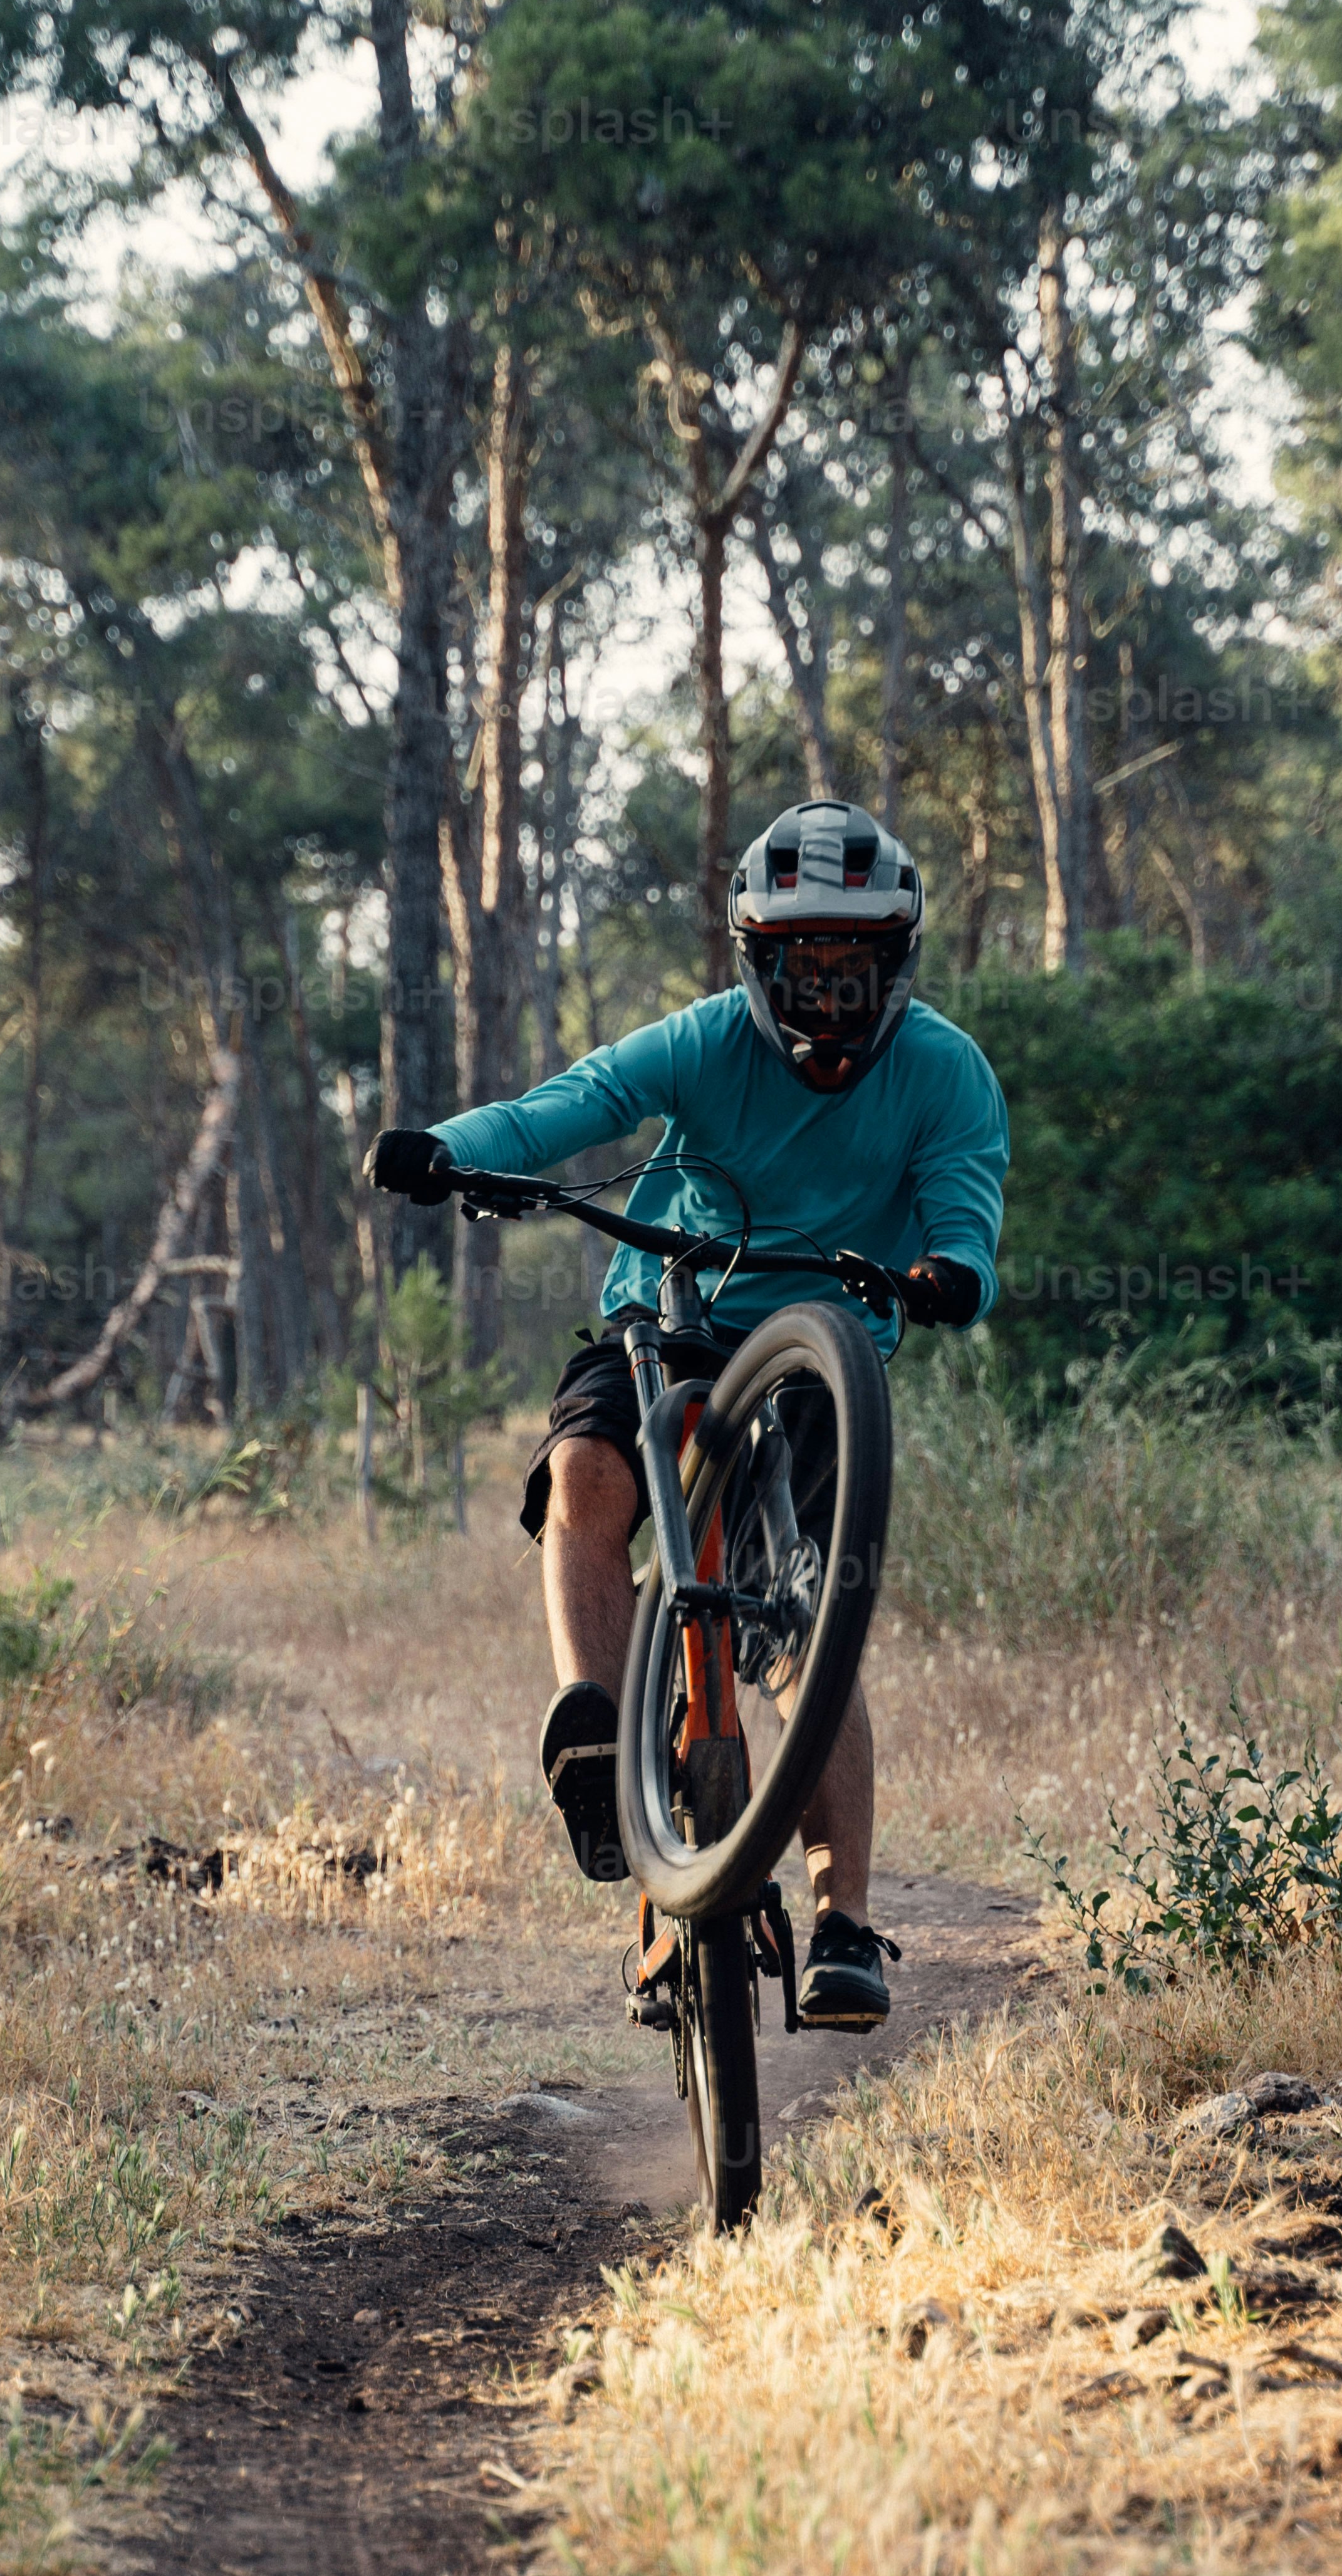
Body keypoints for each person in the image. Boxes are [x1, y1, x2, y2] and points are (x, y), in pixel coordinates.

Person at [368, 798, 1008, 2030]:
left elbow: (961, 1206)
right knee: (586, 1479)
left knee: (806, 1641)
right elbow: (563, 1109)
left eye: (853, 964)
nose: (826, 993)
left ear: (895, 964)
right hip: (670, 1317)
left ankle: (843, 1926)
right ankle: (596, 1730)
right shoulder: (702, 1044)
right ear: (756, 961)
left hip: (825, 1360)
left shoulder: (944, 1072)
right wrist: (442, 1150)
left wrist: (947, 1272)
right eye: (801, 964)